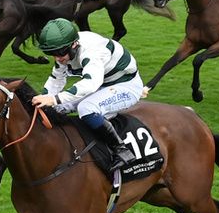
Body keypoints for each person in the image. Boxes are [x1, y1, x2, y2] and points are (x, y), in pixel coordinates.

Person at [31, 19, 144, 171]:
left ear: (74, 45)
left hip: (125, 85)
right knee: (57, 108)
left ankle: (122, 150)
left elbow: (91, 84)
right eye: (51, 53)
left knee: (86, 109)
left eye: (59, 53)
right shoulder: (65, 49)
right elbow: (57, 78)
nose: (57, 58)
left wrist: (53, 99)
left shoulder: (92, 52)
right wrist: (43, 99)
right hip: (104, 84)